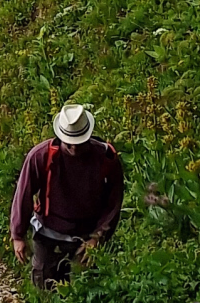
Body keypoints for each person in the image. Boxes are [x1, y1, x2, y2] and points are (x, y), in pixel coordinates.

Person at [11, 101, 124, 285]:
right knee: (44, 286)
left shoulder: (106, 159)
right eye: (69, 144)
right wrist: (17, 234)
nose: (74, 149)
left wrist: (97, 238)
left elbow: (113, 203)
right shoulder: (40, 156)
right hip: (47, 233)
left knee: (84, 290)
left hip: (86, 238)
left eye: (79, 143)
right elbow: (23, 193)